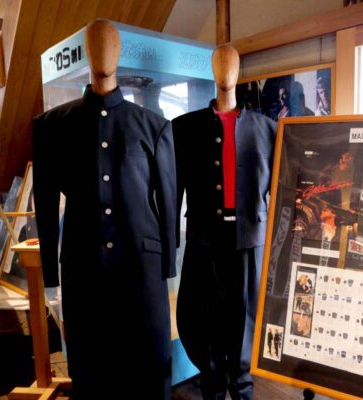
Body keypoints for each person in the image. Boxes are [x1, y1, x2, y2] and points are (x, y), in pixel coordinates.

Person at [33, 20, 176, 399]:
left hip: (142, 274)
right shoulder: (51, 127)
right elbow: (44, 204)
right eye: (96, 46)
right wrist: (50, 274)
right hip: (83, 272)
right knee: (91, 371)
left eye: (110, 45)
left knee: (150, 367)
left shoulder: (154, 126)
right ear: (86, 53)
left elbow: (167, 198)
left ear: (120, 52)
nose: (104, 55)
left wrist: (169, 263)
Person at [174, 44, 276, 400]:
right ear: (212, 70)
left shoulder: (268, 130)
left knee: (247, 325)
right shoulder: (184, 128)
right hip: (204, 241)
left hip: (250, 242)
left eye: (230, 63)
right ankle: (213, 385)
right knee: (204, 320)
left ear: (238, 70)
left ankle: (243, 388)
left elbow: (281, 194)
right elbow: (172, 192)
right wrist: (171, 244)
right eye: (219, 63)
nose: (225, 70)